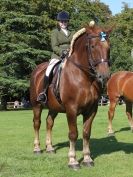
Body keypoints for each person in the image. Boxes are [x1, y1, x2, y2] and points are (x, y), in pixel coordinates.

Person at [37, 11, 75, 103]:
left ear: (68, 22)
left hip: (71, 56)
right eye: (61, 21)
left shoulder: (72, 32)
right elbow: (54, 46)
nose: (63, 23)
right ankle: (43, 93)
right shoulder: (55, 32)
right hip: (58, 56)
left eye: (65, 21)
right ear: (58, 22)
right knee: (48, 70)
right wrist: (62, 52)